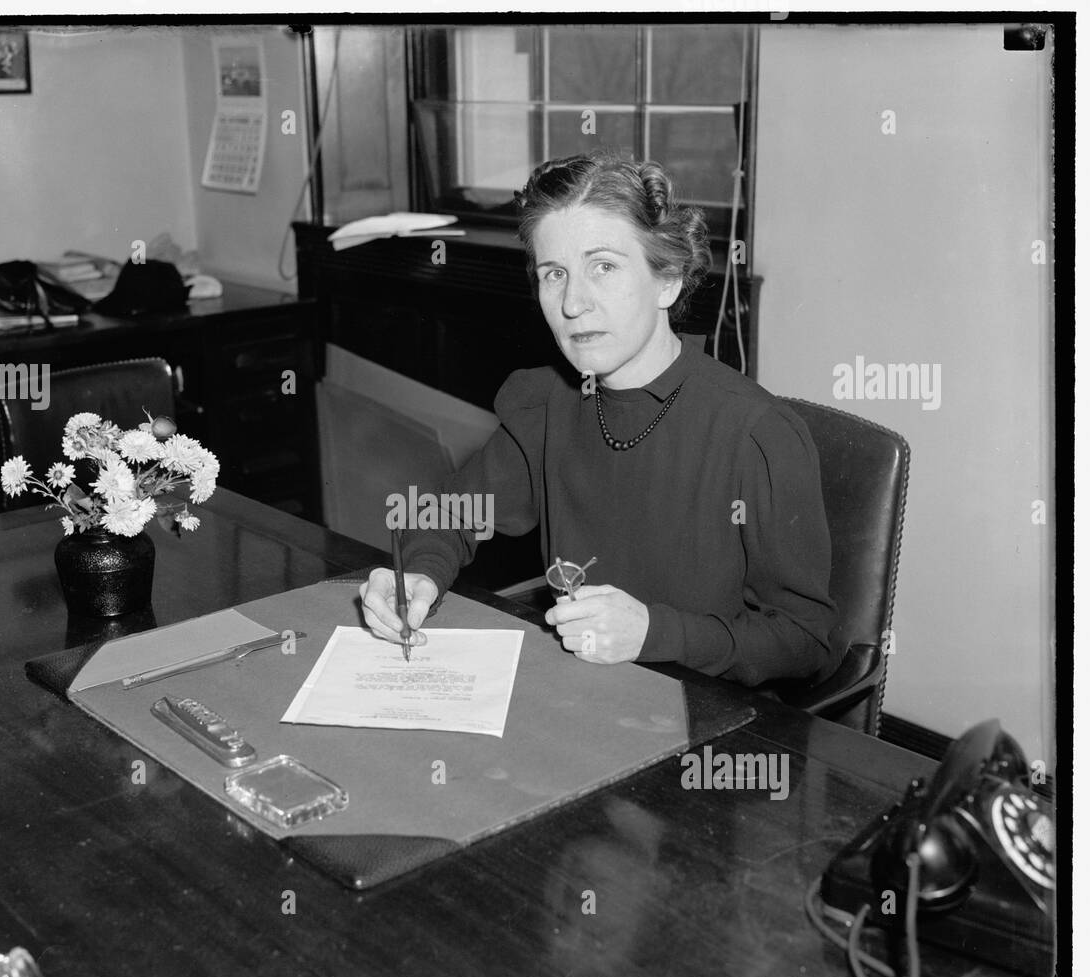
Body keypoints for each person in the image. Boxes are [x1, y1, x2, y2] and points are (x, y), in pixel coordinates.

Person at [360, 152, 841, 688]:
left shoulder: (755, 435)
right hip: (577, 693)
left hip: (702, 720)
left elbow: (806, 643)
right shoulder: (548, 403)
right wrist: (419, 574)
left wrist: (655, 633)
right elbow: (450, 513)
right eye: (554, 274)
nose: (572, 303)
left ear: (668, 282)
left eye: (604, 267)